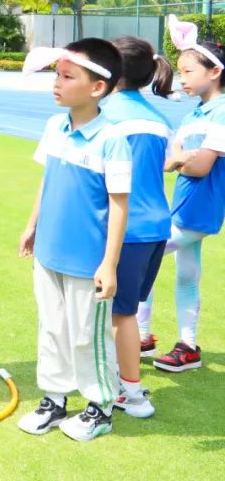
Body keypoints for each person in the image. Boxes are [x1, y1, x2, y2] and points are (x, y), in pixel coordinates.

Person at [17, 39, 130, 441]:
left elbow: (119, 205)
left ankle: (100, 407)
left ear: (97, 87)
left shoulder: (112, 140)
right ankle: (55, 399)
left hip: (88, 262)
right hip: (49, 253)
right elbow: (48, 180)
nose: (57, 83)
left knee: (87, 336)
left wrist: (109, 264)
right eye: (57, 75)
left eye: (67, 76)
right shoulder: (55, 127)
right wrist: (33, 225)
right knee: (52, 328)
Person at [137, 16, 225, 372]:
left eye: (189, 71)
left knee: (142, 256)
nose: (182, 79)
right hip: (185, 205)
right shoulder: (196, 114)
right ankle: (186, 346)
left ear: (215, 71)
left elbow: (199, 166)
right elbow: (176, 155)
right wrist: (179, 158)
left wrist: (177, 161)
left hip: (198, 209)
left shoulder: (222, 112)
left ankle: (140, 336)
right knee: (187, 274)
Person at [100, 36, 173, 418]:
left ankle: (130, 391)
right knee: (124, 311)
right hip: (155, 227)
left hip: (125, 230)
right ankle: (119, 381)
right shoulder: (159, 119)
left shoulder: (105, 115)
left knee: (121, 314)